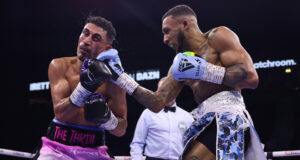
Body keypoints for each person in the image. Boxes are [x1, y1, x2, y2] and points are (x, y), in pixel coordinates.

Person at [99, 4, 267, 160]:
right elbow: (157, 103)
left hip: (229, 117)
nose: (164, 39)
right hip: (205, 121)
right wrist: (121, 77)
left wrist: (204, 70)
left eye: (167, 31)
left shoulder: (218, 36)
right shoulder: (180, 65)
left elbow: (251, 79)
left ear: (185, 24)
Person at [35, 15, 127, 160]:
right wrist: (86, 88)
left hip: (94, 150)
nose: (86, 41)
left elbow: (121, 129)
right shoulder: (59, 66)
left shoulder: (114, 81)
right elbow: (61, 114)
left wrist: (108, 118)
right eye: (85, 33)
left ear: (107, 49)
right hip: (56, 148)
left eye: (96, 38)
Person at [130, 77, 194, 160]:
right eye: (163, 91)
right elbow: (137, 143)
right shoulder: (148, 113)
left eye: (170, 90)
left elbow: (192, 146)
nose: (167, 94)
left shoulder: (187, 117)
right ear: (157, 92)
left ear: (176, 92)